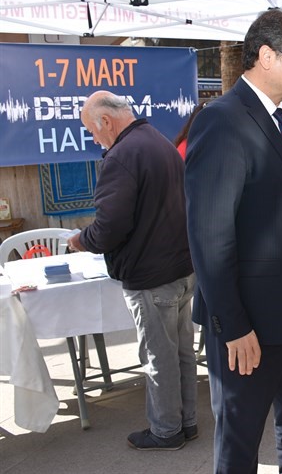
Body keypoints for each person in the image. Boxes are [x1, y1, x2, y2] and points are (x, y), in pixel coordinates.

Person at [184, 9, 282, 473]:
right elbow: (210, 234)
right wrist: (232, 325)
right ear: (267, 56)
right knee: (239, 445)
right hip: (247, 326)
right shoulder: (222, 121)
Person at [67, 91, 197, 450]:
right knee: (181, 352)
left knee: (160, 357)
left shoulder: (123, 155)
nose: (94, 138)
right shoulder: (158, 141)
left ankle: (166, 430)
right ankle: (185, 422)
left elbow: (110, 227)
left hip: (151, 274)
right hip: (179, 268)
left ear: (107, 121)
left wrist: (81, 239)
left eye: (92, 130)